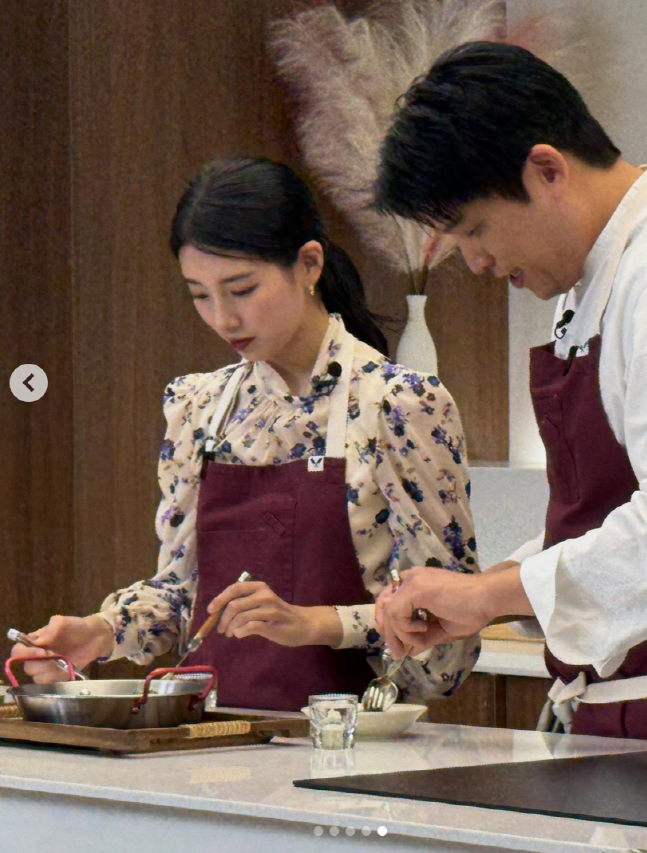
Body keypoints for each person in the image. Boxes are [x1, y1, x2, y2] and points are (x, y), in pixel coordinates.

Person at [12, 156, 479, 711]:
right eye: (200, 295)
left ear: (308, 265)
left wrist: (317, 624)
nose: (222, 319)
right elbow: (186, 597)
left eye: (241, 289)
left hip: (354, 756)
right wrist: (102, 631)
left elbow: (450, 631)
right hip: (215, 747)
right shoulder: (197, 407)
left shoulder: (398, 406)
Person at [372, 41, 647, 743]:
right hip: (620, 722)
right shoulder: (587, 286)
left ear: (548, 169)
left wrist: (488, 592)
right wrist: (486, 591)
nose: (478, 262)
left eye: (476, 229)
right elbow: (598, 516)